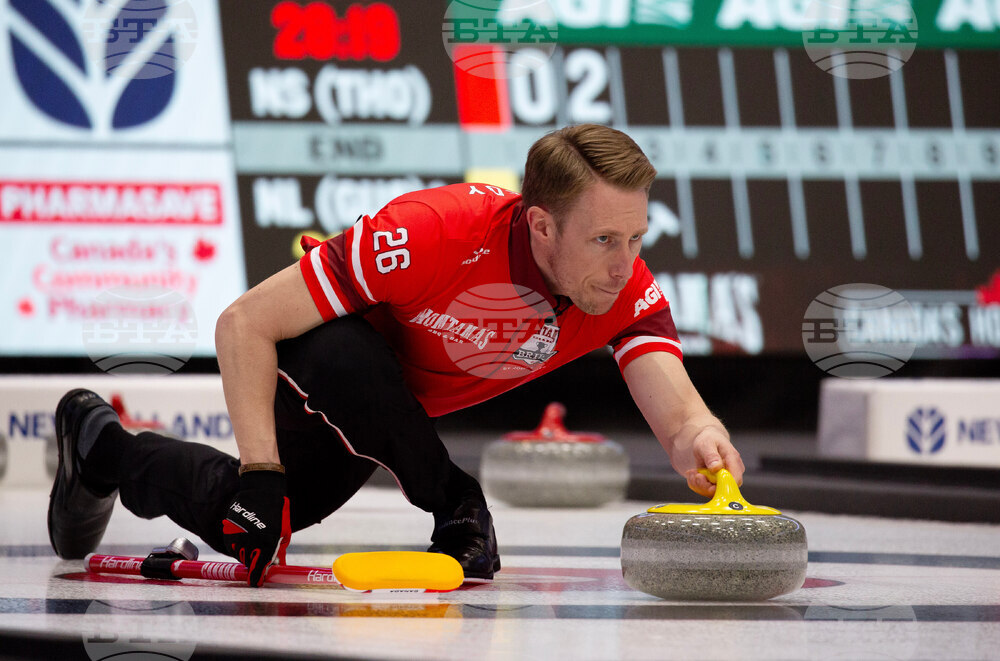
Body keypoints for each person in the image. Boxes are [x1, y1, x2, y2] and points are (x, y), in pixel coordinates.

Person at [48, 124, 744, 586]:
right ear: (540, 224)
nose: (626, 266)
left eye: (637, 237)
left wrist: (701, 438)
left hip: (385, 413)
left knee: (252, 521)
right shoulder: (432, 233)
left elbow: (678, 408)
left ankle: (101, 447)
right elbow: (242, 323)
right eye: (604, 240)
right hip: (318, 361)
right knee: (350, 368)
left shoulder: (621, 288)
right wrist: (262, 461)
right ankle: (455, 500)